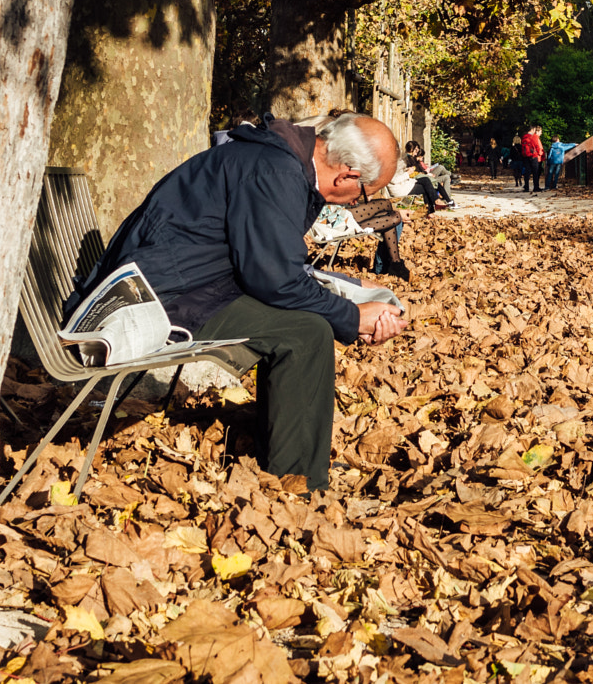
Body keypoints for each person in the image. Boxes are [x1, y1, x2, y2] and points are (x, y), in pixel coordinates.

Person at [70, 112, 409, 489]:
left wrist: (348, 291)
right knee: (304, 334)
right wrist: (352, 316)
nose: (357, 201)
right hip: (165, 299)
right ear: (347, 174)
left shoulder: (275, 160)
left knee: (305, 324)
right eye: (366, 192)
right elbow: (275, 278)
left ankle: (294, 459)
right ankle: (297, 483)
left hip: (193, 283)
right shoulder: (275, 172)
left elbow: (272, 264)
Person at [402, 140, 455, 214]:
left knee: (429, 180)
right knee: (429, 181)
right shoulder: (407, 159)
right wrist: (425, 173)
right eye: (416, 149)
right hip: (411, 180)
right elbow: (411, 173)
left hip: (417, 177)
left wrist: (424, 172)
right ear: (411, 149)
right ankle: (440, 201)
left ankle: (434, 206)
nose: (417, 151)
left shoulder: (412, 158)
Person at [519, 125, 545, 193]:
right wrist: (539, 154)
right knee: (535, 172)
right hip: (533, 156)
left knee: (527, 172)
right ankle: (536, 187)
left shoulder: (524, 137)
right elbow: (537, 146)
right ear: (533, 129)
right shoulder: (533, 137)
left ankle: (526, 187)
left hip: (525, 156)